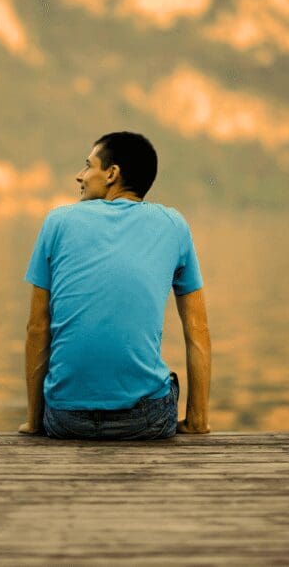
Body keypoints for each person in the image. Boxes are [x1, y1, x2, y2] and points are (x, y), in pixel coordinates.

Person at [17, 131, 211, 439]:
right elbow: (197, 329)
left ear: (111, 173)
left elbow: (37, 328)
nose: (79, 176)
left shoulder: (57, 222)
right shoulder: (174, 225)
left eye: (88, 165)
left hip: (66, 420)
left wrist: (35, 421)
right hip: (146, 421)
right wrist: (197, 420)